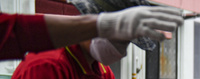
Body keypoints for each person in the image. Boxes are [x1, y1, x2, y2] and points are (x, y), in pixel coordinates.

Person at [0, 2, 183, 60]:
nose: (123, 51)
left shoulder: (102, 77)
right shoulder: (47, 67)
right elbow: (12, 32)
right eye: (122, 38)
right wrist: (101, 25)